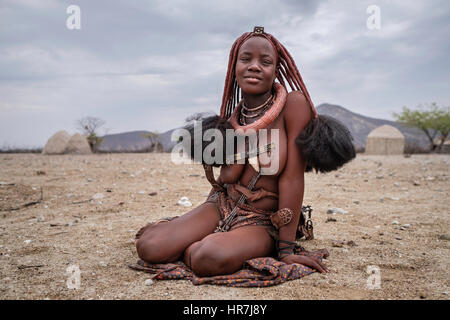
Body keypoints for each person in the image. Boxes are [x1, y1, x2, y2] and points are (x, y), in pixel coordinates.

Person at [135, 27, 354, 277]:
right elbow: (226, 180)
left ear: (276, 70)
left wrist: (285, 249)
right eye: (246, 59)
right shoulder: (232, 118)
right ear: (234, 67)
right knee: (149, 247)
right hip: (222, 205)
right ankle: (190, 238)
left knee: (207, 257)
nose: (254, 66)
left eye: (266, 61)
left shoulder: (294, 106)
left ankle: (205, 246)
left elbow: (293, 178)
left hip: (265, 219)